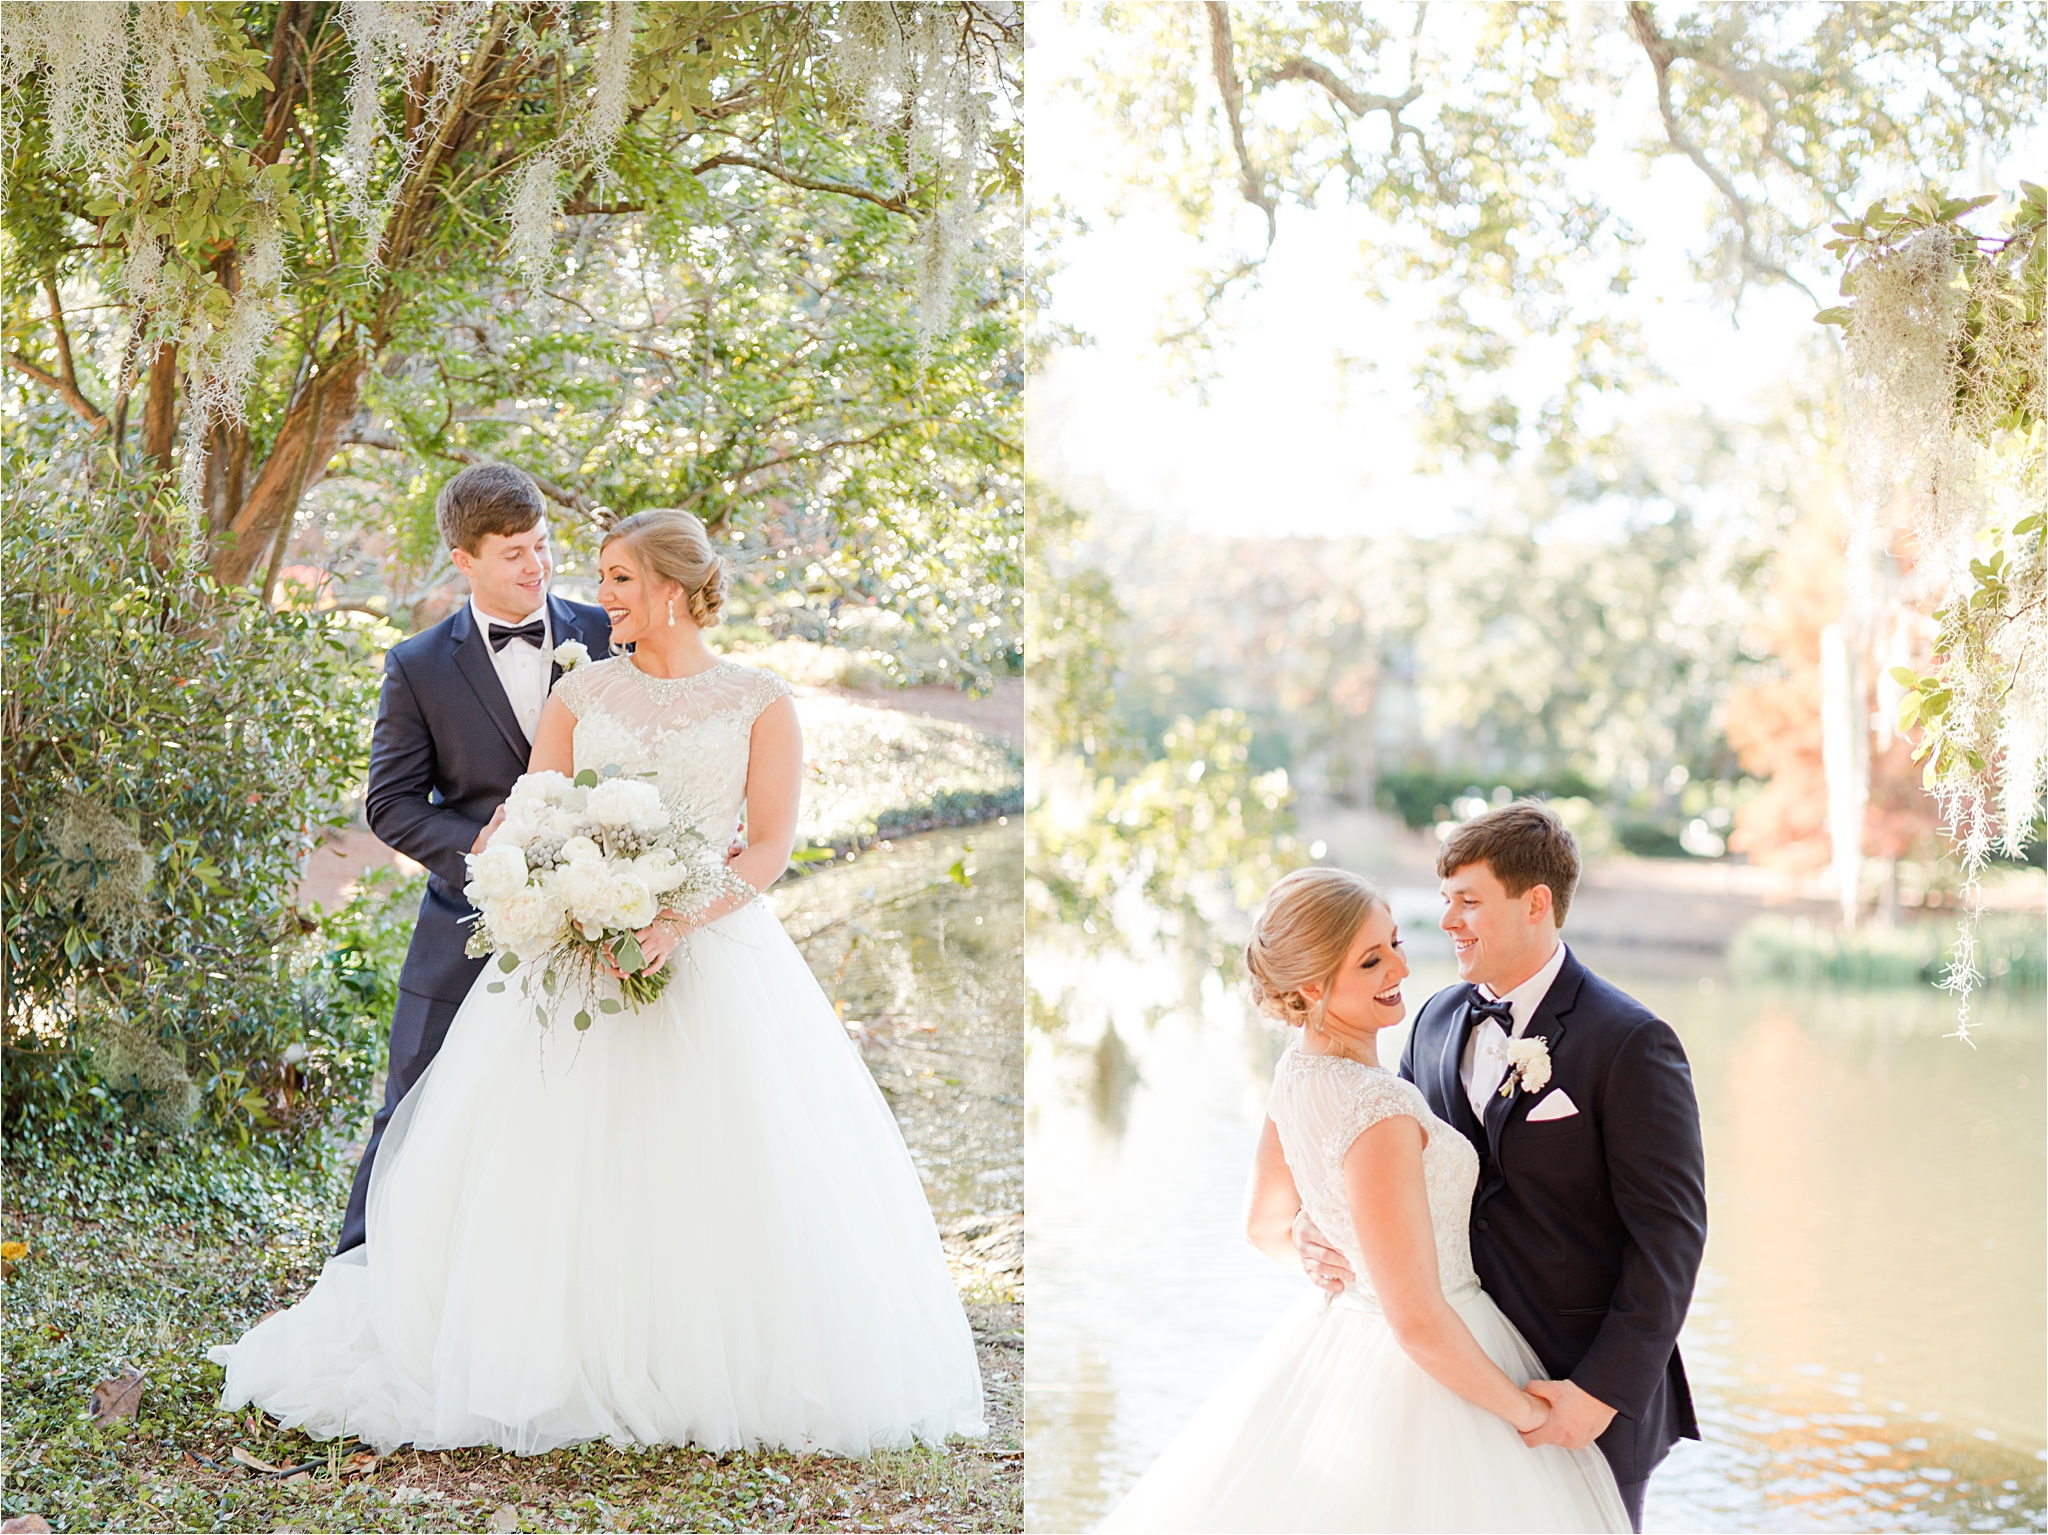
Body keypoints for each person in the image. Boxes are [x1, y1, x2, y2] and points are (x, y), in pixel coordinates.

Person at [210, 509, 986, 1456]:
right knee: (551, 1156)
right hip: (577, 957)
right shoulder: (582, 696)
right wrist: (536, 874)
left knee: (714, 1157)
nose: (596, 595)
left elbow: (773, 843)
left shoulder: (761, 699)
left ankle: (699, 1355)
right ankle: (546, 1351)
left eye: (617, 578)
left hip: (712, 952)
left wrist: (675, 919)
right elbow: (538, 808)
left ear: (667, 588)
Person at [1102, 865, 1631, 1533]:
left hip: (1344, 1338)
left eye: (1396, 945)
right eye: (1371, 961)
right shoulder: (1376, 1109)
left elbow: (1265, 1224)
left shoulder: (1297, 1069)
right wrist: (1527, 1414)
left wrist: (1321, 1249)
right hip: (1430, 1371)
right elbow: (1415, 1318)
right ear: (1311, 987)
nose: (1398, 971)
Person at [1294, 802, 1708, 1532]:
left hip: (1579, 1383)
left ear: (1536, 903)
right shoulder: (1431, 1018)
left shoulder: (1632, 1041)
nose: (1448, 918)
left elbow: (1670, 1242)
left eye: (1469, 900)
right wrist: (1316, 1224)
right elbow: (1393, 1168)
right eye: (1445, 897)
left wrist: (1599, 1391)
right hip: (1458, 1377)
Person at [334, 461, 611, 1255]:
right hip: (468, 915)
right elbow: (388, 804)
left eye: (542, 545)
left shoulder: (605, 633)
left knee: (595, 1103)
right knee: (411, 1098)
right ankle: (355, 1273)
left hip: (600, 916)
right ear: (465, 560)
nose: (538, 566)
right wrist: (486, 849)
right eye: (515, 553)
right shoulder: (418, 665)